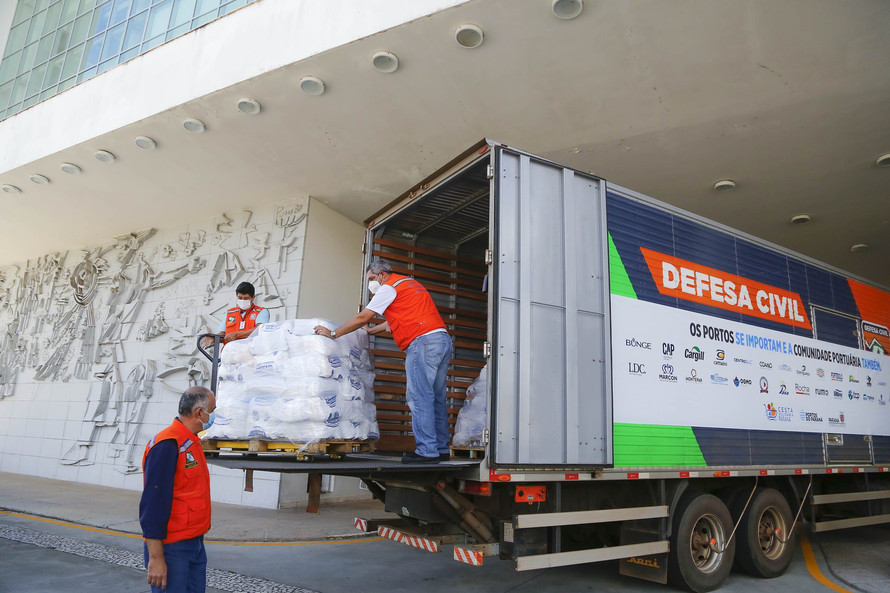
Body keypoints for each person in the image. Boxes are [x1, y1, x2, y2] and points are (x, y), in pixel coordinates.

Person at [314, 259, 453, 463]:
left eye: (371, 278)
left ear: (382, 275)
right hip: (441, 341)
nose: (371, 284)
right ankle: (441, 449)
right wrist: (372, 331)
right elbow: (398, 319)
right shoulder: (410, 284)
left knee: (419, 397)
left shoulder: (389, 287)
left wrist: (334, 333)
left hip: (422, 343)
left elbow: (363, 317)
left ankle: (427, 451)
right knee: (436, 398)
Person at [140, 386, 217, 593]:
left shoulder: (191, 442)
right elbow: (152, 505)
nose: (214, 416)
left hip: (194, 542)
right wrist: (156, 558)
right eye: (212, 411)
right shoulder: (167, 444)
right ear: (199, 413)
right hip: (172, 548)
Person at [202, 281, 268, 348]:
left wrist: (236, 334)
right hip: (230, 352)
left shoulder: (261, 311)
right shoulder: (230, 313)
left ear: (253, 298)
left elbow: (260, 330)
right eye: (240, 298)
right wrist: (214, 337)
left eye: (246, 298)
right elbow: (223, 334)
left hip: (251, 351)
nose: (242, 300)